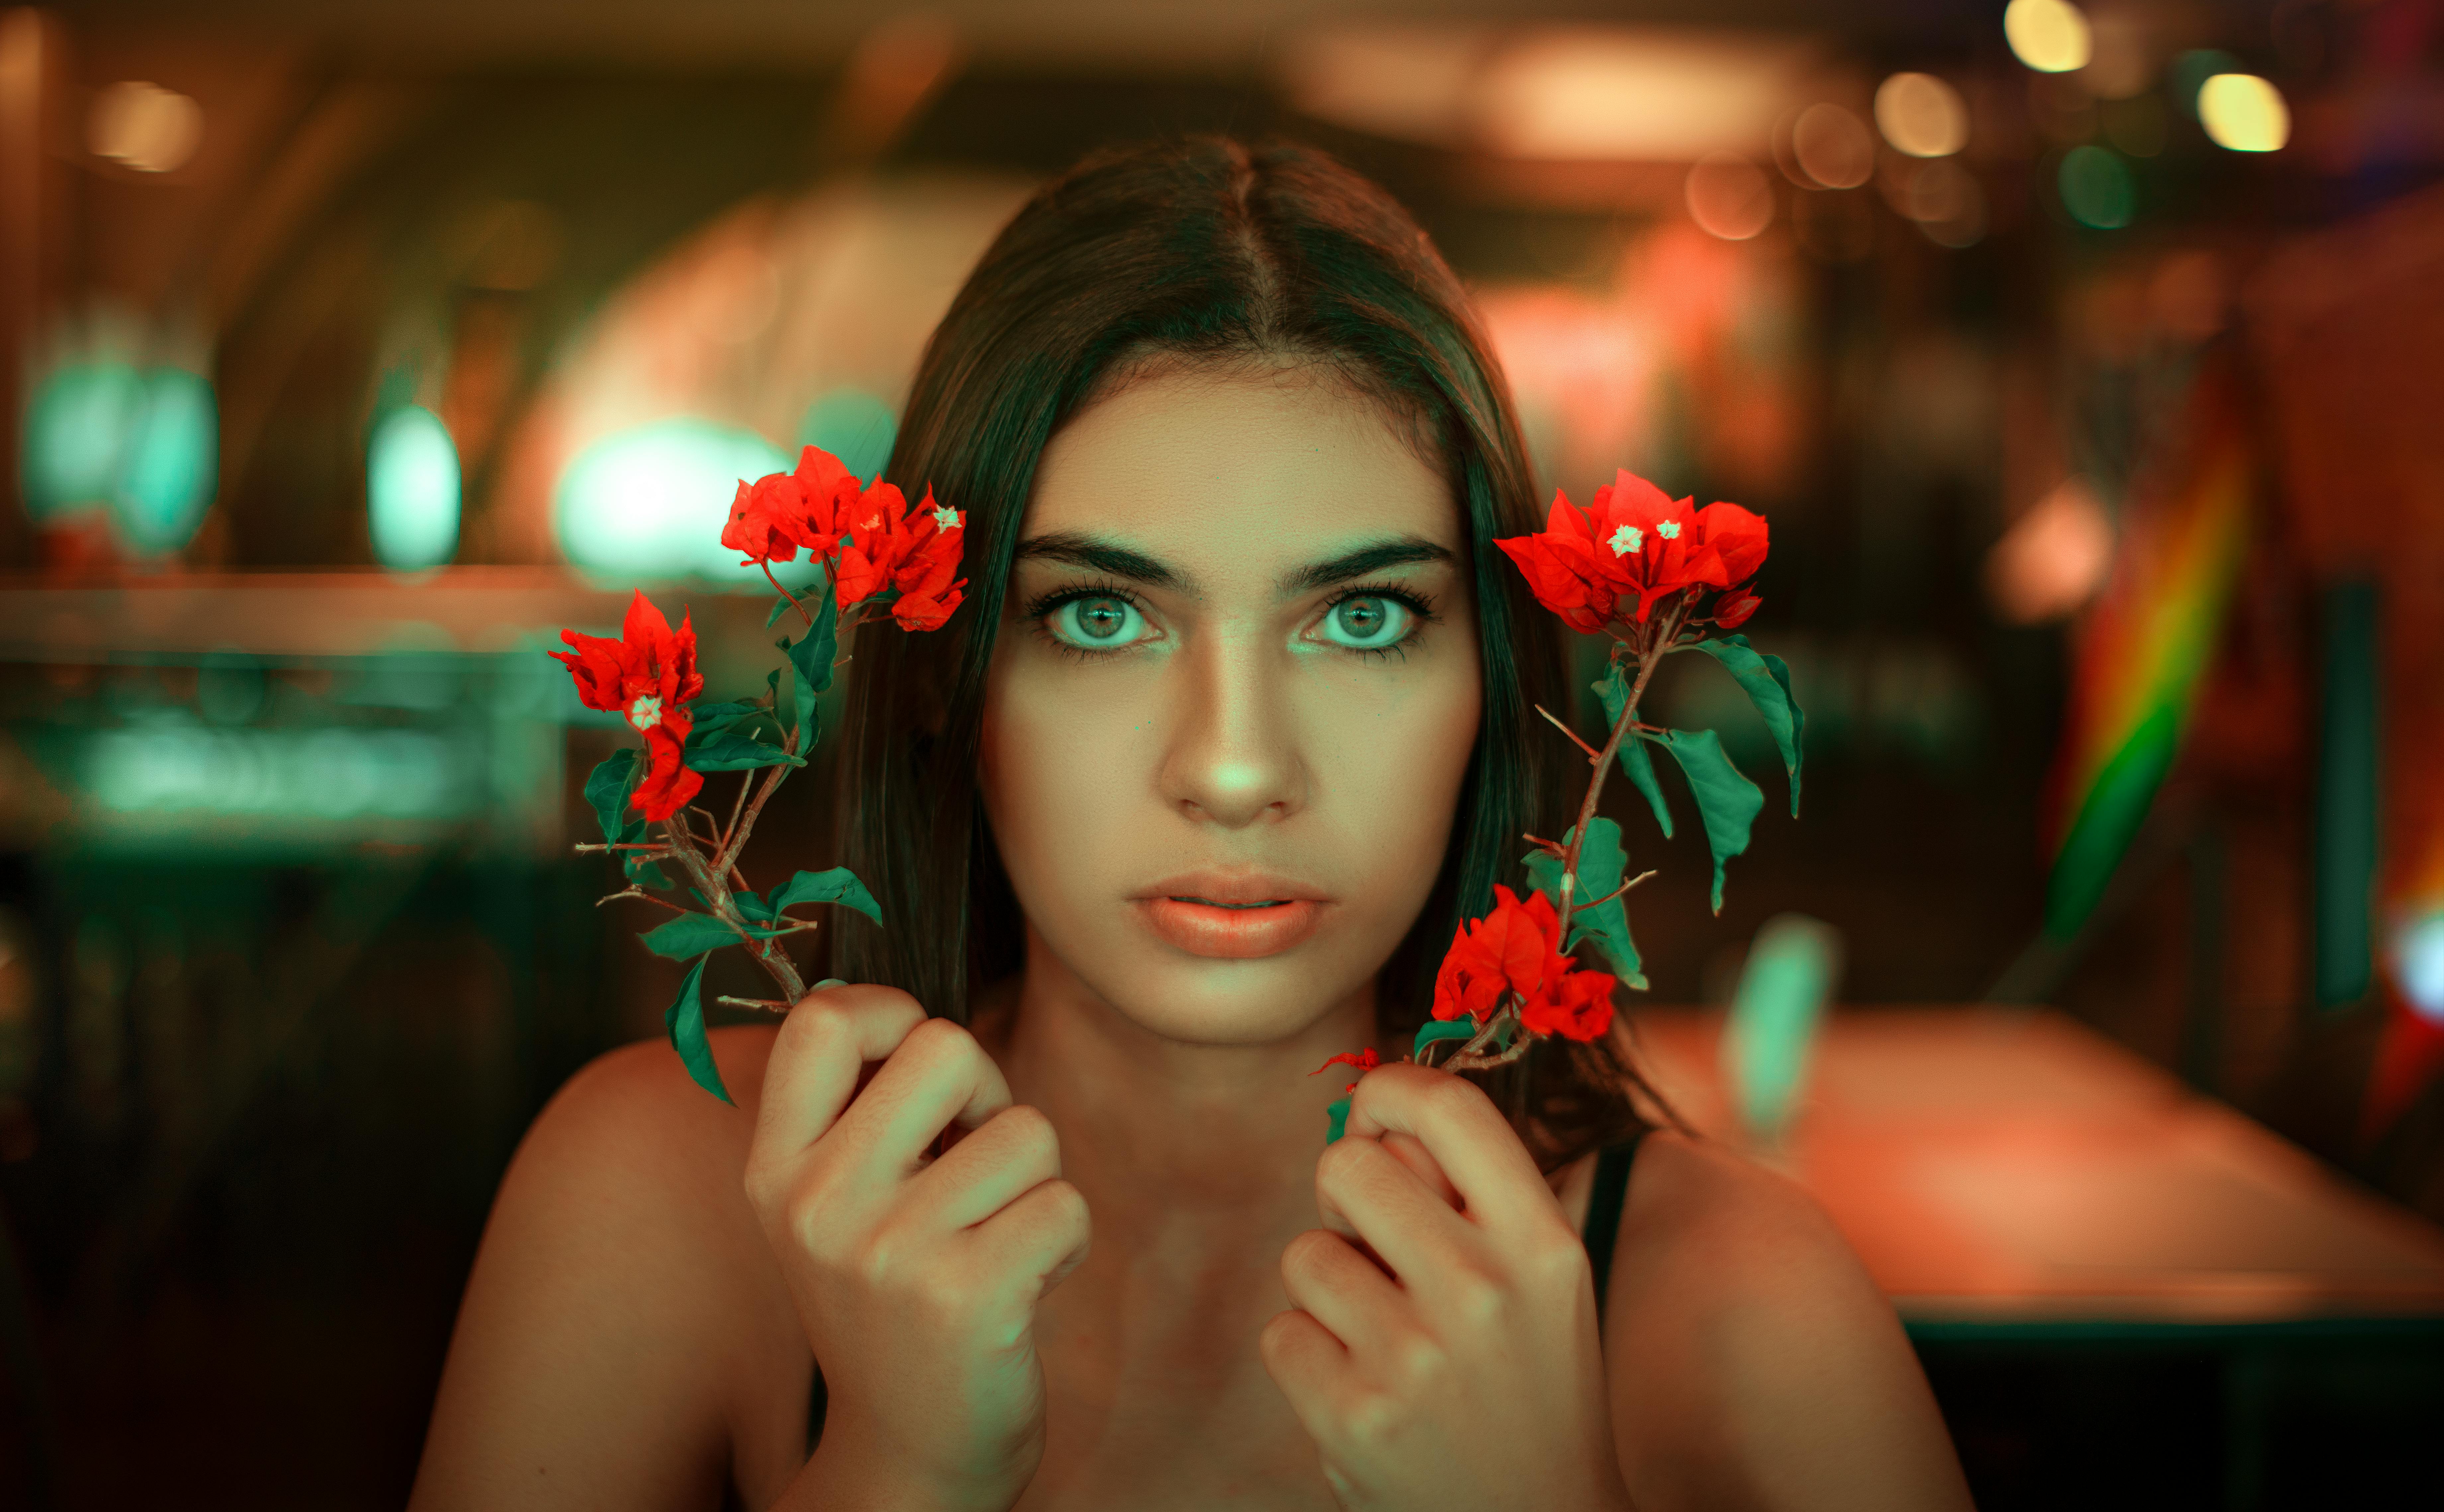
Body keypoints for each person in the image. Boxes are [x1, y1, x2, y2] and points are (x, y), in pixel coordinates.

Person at [410, 138, 1972, 1512]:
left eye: (1361, 619)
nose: (1234, 768)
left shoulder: (1737, 1312)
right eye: (1100, 615)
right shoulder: (664, 1208)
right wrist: (895, 1468)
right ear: (947, 667)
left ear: (1496, 676)